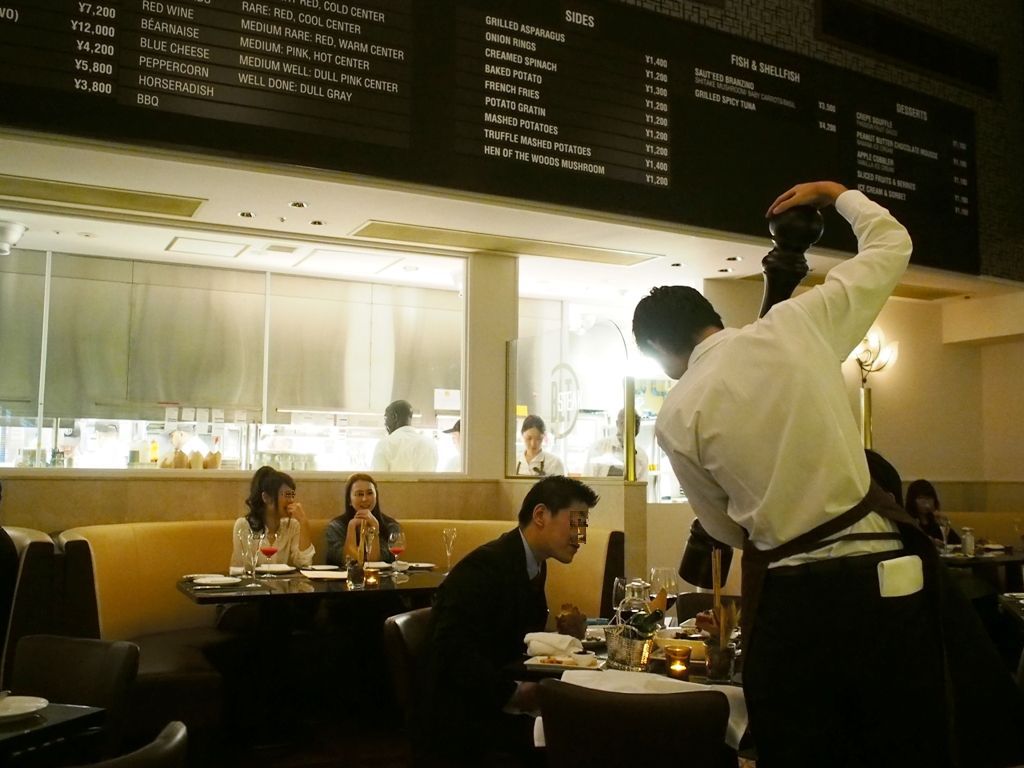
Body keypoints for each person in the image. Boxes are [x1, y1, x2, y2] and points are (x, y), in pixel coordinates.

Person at [633, 181, 955, 767]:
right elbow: (892, 244)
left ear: (658, 349)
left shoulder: (677, 414)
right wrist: (837, 194)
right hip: (886, 578)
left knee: (803, 751)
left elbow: (726, 529)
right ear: (712, 319)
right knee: (904, 745)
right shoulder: (798, 323)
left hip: (796, 598)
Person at [418, 476, 599, 765]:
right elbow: (451, 651)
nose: (581, 536)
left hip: (491, 704)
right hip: (464, 722)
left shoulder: (533, 564)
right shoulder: (485, 567)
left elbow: (513, 637)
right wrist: (515, 693)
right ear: (540, 515)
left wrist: (563, 637)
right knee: (581, 738)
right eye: (576, 523)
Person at [231, 466, 314, 569]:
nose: (291, 500)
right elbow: (241, 568)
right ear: (266, 498)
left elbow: (304, 564)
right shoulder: (244, 526)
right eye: (287, 495)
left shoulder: (293, 526)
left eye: (292, 495)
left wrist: (303, 522)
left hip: (283, 580)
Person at [325, 473, 402, 566]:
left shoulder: (391, 526)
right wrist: (351, 527)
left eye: (370, 493)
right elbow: (349, 562)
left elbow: (374, 564)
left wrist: (375, 528)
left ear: (376, 497)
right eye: (359, 494)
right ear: (349, 500)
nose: (365, 499)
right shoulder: (336, 527)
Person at [371, 399, 438, 472]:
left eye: (386, 418)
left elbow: (378, 476)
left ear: (394, 416)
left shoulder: (384, 444)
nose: (385, 423)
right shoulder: (430, 444)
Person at [584, 408, 649, 481]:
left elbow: (642, 485)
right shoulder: (599, 447)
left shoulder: (641, 456)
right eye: (624, 422)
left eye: (635, 423)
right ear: (617, 423)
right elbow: (588, 481)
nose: (629, 427)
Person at [906, 478, 960, 545]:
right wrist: (931, 542)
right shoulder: (909, 521)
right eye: (920, 498)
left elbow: (957, 542)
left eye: (929, 498)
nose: (926, 502)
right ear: (912, 500)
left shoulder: (935, 521)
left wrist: (944, 525)